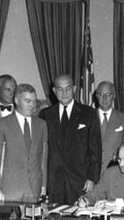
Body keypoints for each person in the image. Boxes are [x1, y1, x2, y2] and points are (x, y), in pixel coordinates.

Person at [40, 74, 102, 205]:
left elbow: (95, 149)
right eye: (60, 89)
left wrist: (91, 178)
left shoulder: (88, 113)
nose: (64, 93)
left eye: (68, 88)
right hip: (54, 181)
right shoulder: (45, 114)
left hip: (79, 179)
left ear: (74, 89)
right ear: (54, 91)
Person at [0, 84, 48, 202]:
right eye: (27, 101)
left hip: (34, 188)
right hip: (9, 189)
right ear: (16, 100)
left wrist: (43, 184)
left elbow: (43, 157)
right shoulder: (2, 124)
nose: (32, 105)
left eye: (34, 101)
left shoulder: (41, 124)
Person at [95, 81, 124, 174]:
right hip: (91, 172)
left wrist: (119, 156)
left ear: (113, 96)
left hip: (115, 171)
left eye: (108, 94)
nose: (104, 98)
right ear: (96, 96)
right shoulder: (88, 117)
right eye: (101, 94)